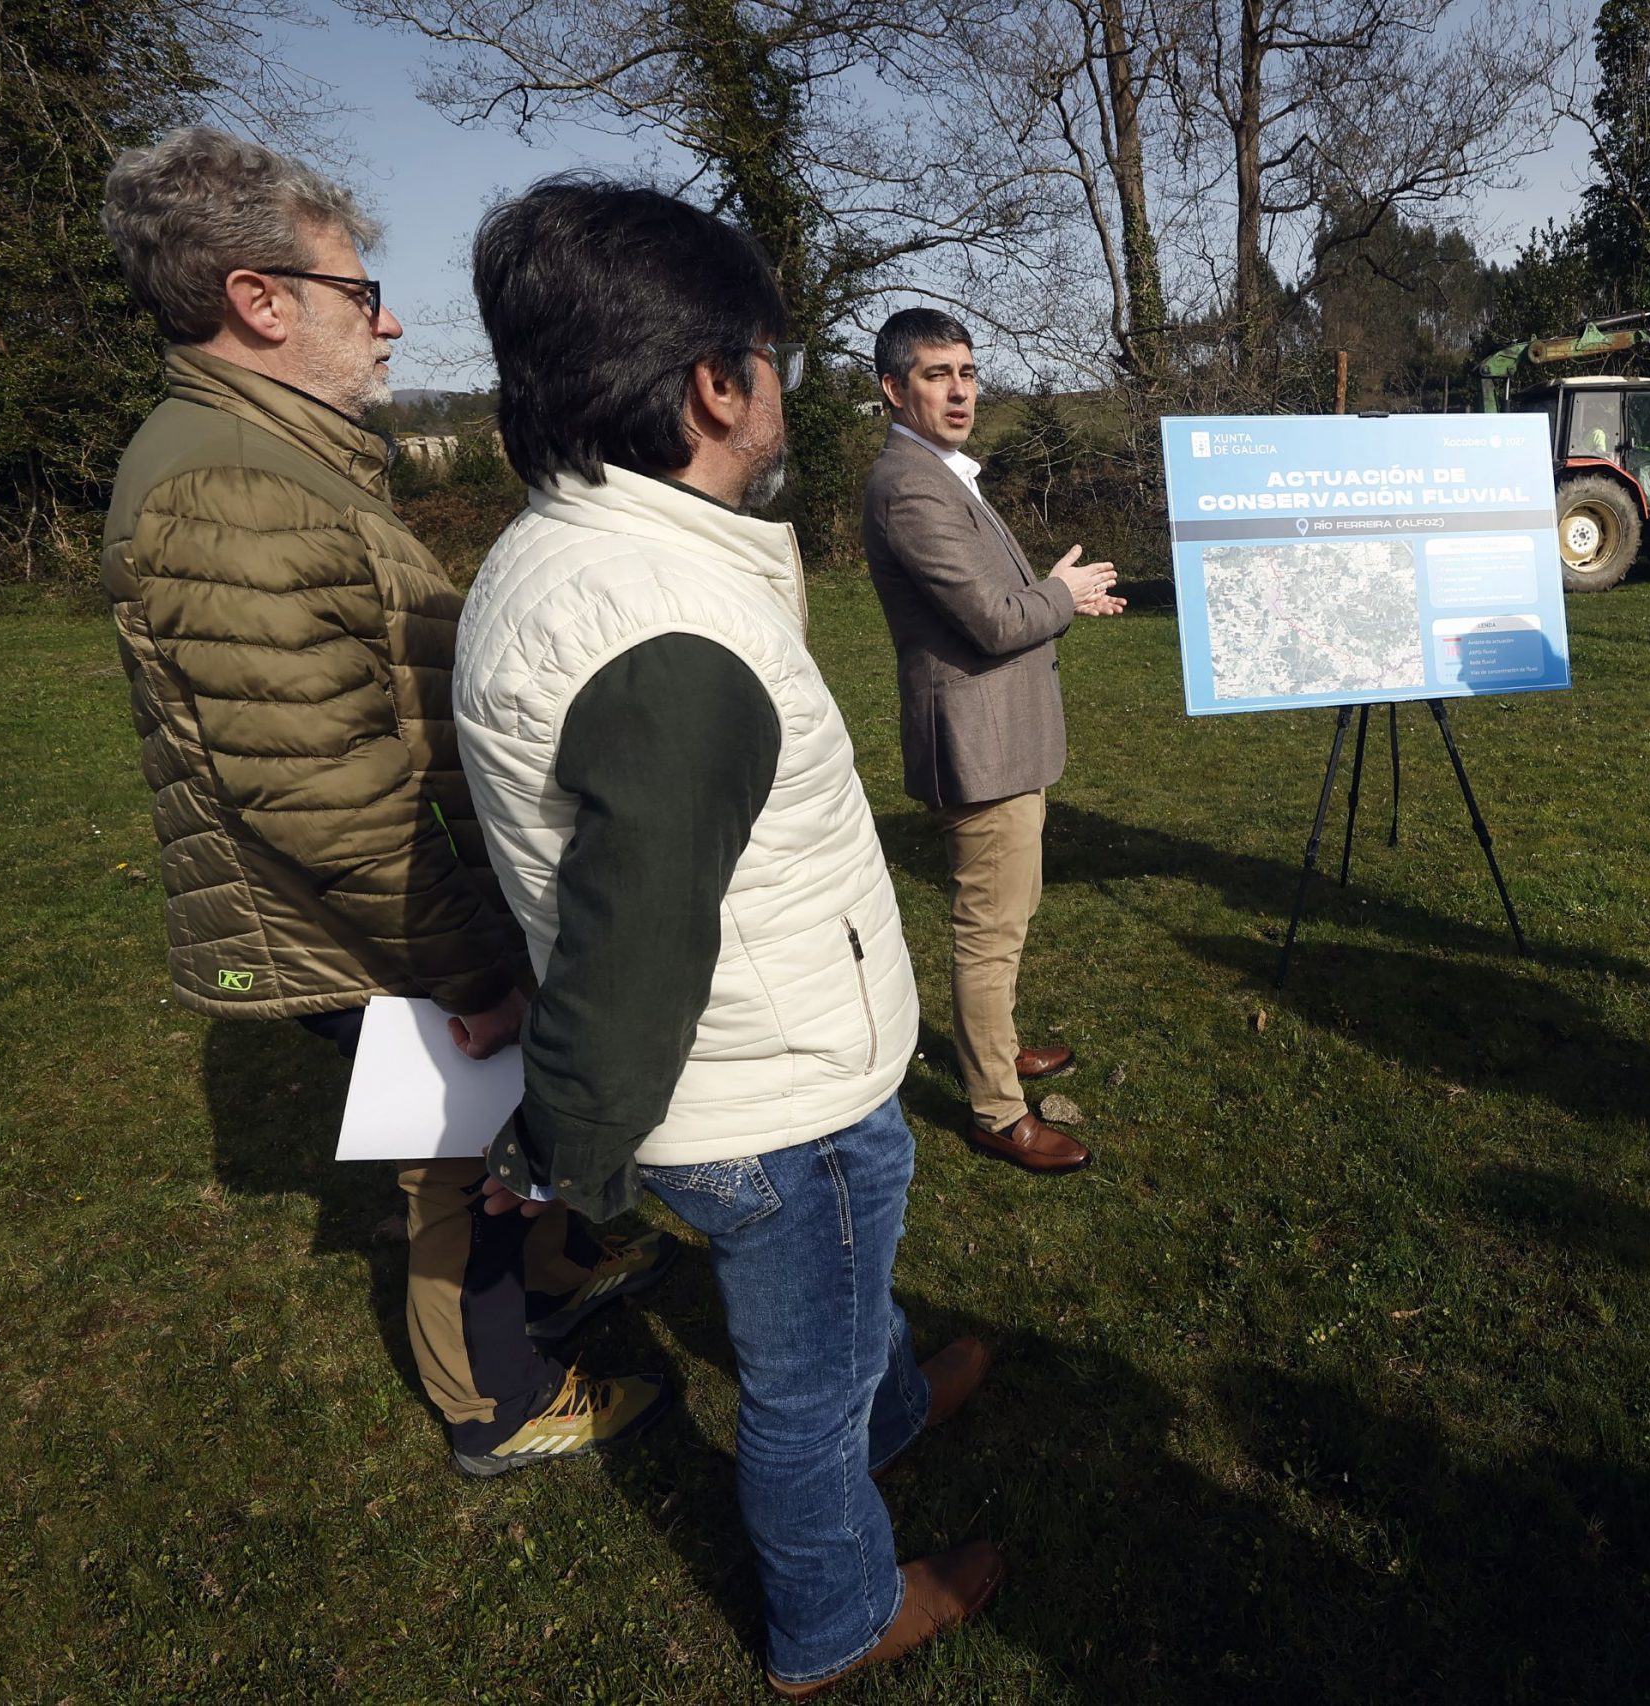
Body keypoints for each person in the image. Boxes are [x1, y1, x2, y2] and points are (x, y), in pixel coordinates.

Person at [455, 178, 1002, 1696]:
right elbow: (637, 940)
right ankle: (836, 1614)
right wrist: (550, 1149)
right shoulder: (660, 624)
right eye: (774, 355)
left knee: (851, 1297)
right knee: (800, 1389)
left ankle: (892, 1405)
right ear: (716, 383)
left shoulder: (592, 550)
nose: (785, 385)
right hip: (773, 1097)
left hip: (790, 1052)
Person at [96, 127, 673, 1479]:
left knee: (484, 1143)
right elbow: (322, 789)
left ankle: (546, 1270)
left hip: (385, 907)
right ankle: (500, 1397)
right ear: (261, 300)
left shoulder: (263, 458)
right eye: (362, 291)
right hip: (364, 921)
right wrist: (476, 956)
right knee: (451, 1164)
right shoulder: (230, 485)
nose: (390, 319)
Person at [862, 309, 1125, 1172]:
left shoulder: (941, 472)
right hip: (977, 746)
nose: (960, 390)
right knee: (989, 930)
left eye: (968, 372)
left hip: (999, 734)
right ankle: (996, 1108)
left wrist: (1059, 596)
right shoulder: (909, 484)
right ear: (894, 389)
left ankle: (994, 1047)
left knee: (1008, 915)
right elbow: (992, 617)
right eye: (937, 375)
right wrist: (1062, 592)